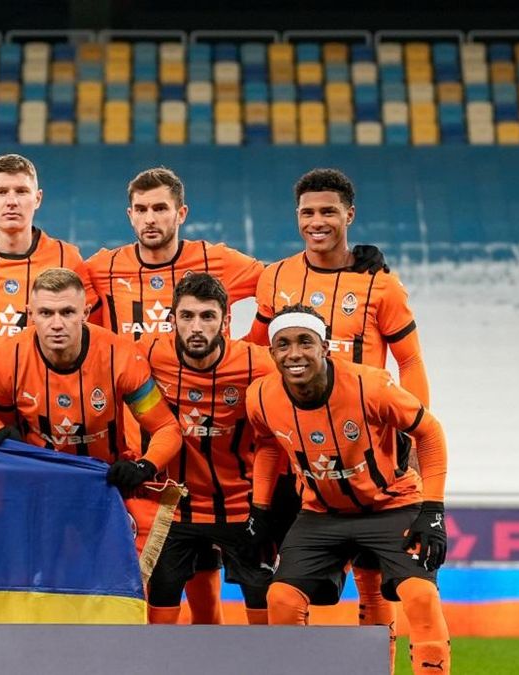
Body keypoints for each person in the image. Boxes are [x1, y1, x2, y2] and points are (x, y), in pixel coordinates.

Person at [246, 168, 429, 647]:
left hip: (369, 444)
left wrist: (409, 436)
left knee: (373, 574)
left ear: (349, 215)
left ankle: (379, 666)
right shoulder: (275, 277)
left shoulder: (380, 284)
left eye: (328, 211)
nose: (317, 222)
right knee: (285, 583)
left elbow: (410, 361)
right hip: (299, 452)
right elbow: (254, 348)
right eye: (307, 212)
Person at [85, 166, 266, 620]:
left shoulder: (217, 260)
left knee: (208, 588)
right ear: (129, 215)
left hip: (216, 456)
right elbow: (51, 294)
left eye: (161, 208)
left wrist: (248, 350)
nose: (151, 218)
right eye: (142, 209)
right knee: (160, 590)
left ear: (181, 213)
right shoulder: (102, 267)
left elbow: (279, 287)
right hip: (143, 449)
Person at [246, 304, 450, 674]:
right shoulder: (259, 397)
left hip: (392, 506)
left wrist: (433, 510)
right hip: (321, 515)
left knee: (420, 595)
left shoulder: (371, 386)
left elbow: (430, 431)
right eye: (283, 344)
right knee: (281, 597)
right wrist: (260, 510)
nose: (294, 353)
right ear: (272, 352)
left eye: (305, 342)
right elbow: (267, 446)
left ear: (325, 347)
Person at [138, 272, 276, 625]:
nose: (196, 327)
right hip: (175, 510)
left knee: (267, 613)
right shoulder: (148, 354)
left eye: (207, 316)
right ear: (172, 320)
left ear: (226, 321)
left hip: (242, 508)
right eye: (187, 316)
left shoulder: (258, 364)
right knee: (160, 613)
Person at [0, 267, 181, 474]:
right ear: (31, 314)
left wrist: (144, 466)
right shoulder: (6, 361)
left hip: (106, 477)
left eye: (67, 312)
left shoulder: (121, 357)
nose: (57, 324)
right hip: (35, 476)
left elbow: (166, 427)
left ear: (85, 313)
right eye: (46, 313)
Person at [0, 154, 98, 360]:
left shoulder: (66, 258)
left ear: (38, 199)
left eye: (22, 191)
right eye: (1, 192)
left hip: (38, 380)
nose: (12, 201)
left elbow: (88, 328)